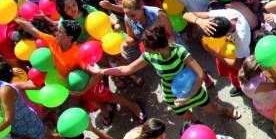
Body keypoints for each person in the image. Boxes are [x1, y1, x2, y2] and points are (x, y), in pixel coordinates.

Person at [89, 24, 239, 120]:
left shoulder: (179, 52)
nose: (144, 51)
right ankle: (197, 125)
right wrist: (101, 71)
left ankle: (225, 110)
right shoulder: (150, 55)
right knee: (186, 117)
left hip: (191, 89)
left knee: (211, 109)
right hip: (170, 93)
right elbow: (126, 69)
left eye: (147, 49)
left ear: (158, 49)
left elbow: (200, 75)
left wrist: (187, 97)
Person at [0, 62, 58, 139]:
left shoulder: (6, 90)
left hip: (28, 122)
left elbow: (8, 119)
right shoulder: (10, 86)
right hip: (16, 127)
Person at [239, 55, 276, 139]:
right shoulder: (256, 86)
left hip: (262, 102)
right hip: (272, 105)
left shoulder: (243, 74)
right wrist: (270, 68)